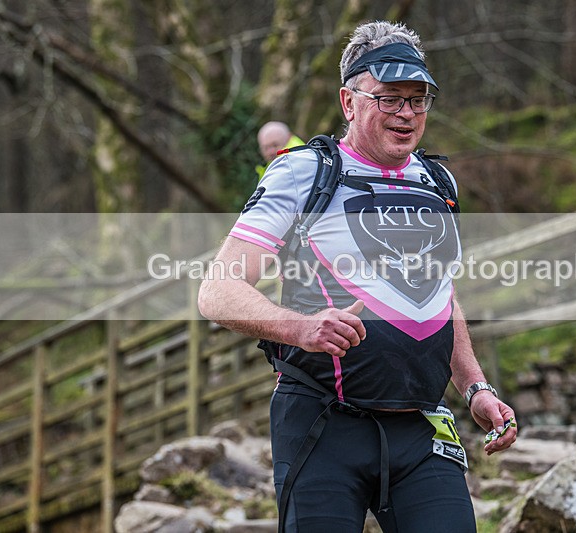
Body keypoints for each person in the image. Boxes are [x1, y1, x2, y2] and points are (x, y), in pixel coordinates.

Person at [198, 20, 516, 532]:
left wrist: (475, 387)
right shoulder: (304, 173)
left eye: (418, 99)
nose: (407, 113)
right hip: (323, 423)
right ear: (349, 102)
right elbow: (217, 292)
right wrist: (298, 328)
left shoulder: (438, 181)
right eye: (389, 98)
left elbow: (439, 296)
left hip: (422, 424)